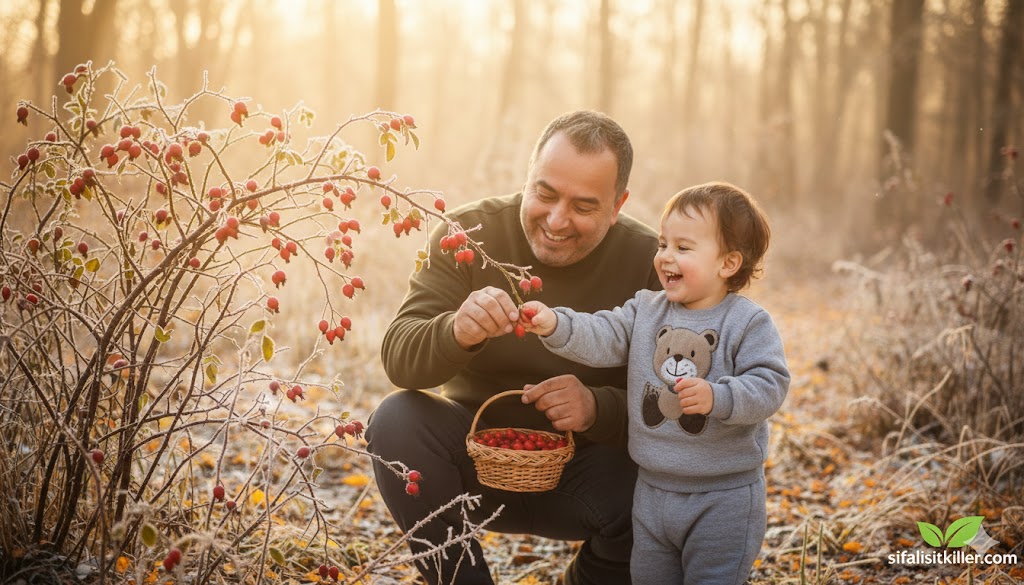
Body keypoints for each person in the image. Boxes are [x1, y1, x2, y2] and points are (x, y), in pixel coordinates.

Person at [365, 110, 661, 585]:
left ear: (618, 204)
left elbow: (682, 406)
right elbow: (400, 357)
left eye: (584, 206)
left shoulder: (651, 262)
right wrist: (455, 331)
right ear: (527, 175)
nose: (557, 220)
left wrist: (598, 407)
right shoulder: (469, 235)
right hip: (471, 464)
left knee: (671, 481)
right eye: (544, 193)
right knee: (397, 418)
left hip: (592, 474)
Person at [521, 181, 790, 585]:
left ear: (728, 263)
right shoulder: (647, 310)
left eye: (683, 248)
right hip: (652, 490)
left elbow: (771, 384)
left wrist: (719, 397)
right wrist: (557, 323)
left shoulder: (746, 323)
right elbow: (604, 333)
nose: (664, 256)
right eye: (663, 244)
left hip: (723, 497)